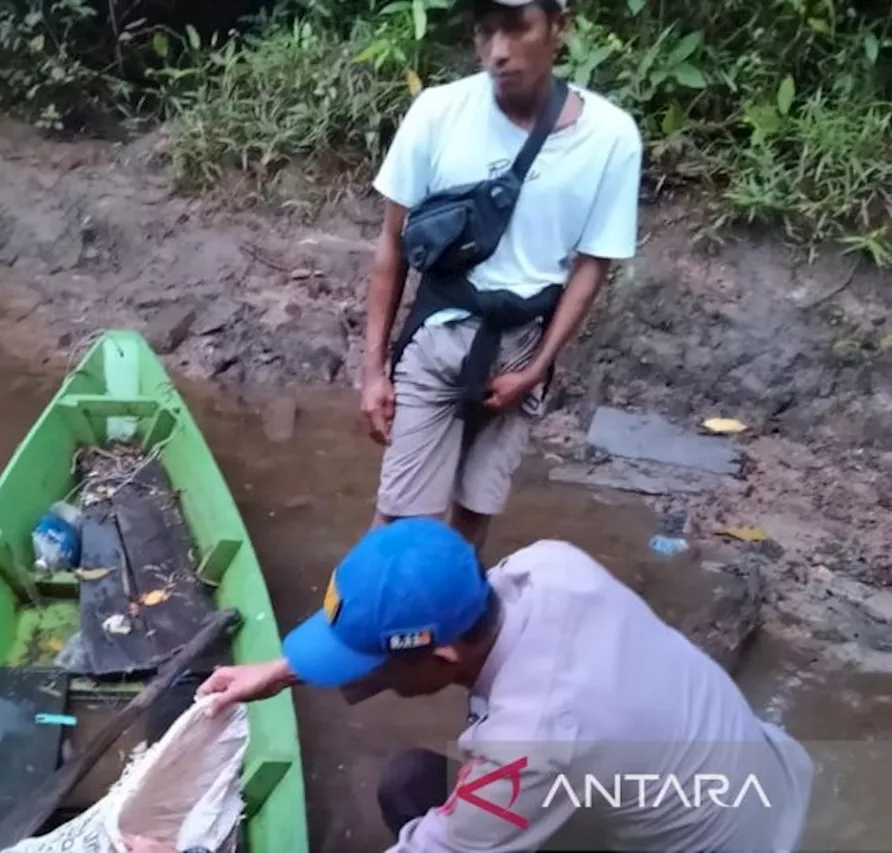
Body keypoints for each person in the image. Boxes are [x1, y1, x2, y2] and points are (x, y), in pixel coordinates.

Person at [195, 518, 815, 852]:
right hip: (763, 780)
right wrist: (279, 671)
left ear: (440, 658)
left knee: (414, 792)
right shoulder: (547, 565)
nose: (362, 676)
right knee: (417, 781)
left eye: (368, 666)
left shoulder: (532, 739)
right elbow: (418, 615)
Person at [360, 0, 643, 550]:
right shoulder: (438, 114)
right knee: (396, 525)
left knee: (471, 517)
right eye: (486, 31)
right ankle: (346, 629)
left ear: (559, 27)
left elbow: (592, 266)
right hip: (438, 338)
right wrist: (373, 371)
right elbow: (391, 246)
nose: (499, 51)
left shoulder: (611, 138)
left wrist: (537, 369)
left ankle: (446, 636)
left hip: (521, 348)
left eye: (516, 28)